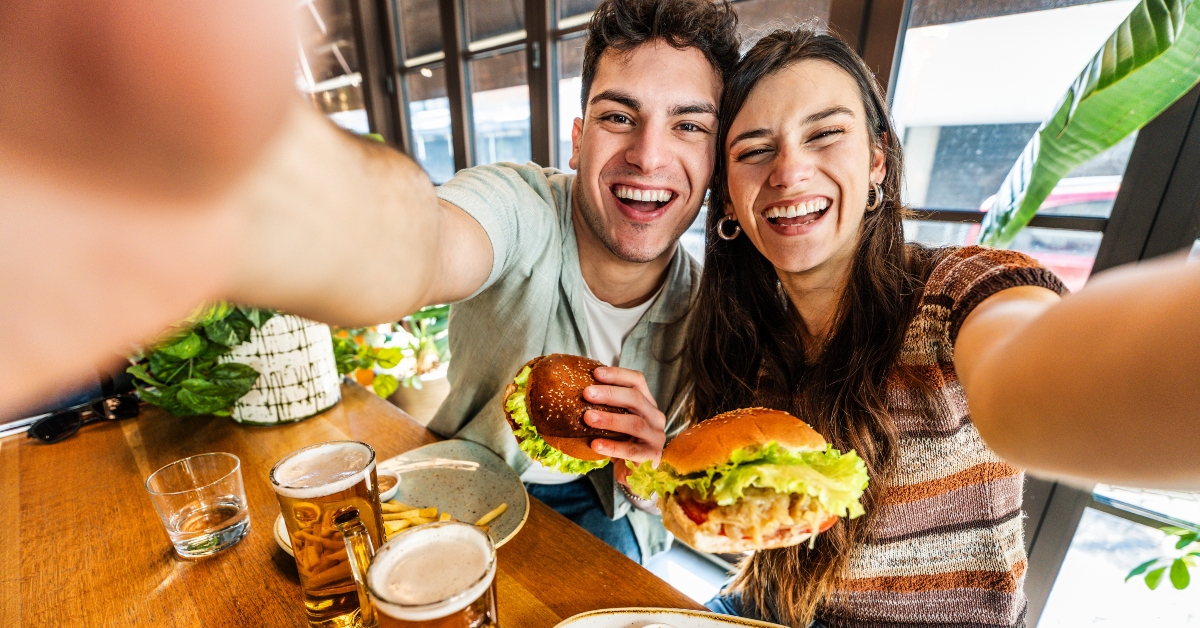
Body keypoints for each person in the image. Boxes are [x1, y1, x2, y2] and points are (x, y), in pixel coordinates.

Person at [691, 28, 1067, 626]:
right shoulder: (746, 333)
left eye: (825, 134)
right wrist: (648, 466)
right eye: (754, 149)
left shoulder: (954, 293)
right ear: (729, 199)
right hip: (771, 608)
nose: (789, 172)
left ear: (877, 160)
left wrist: (1054, 384)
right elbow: (725, 510)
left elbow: (1032, 365)